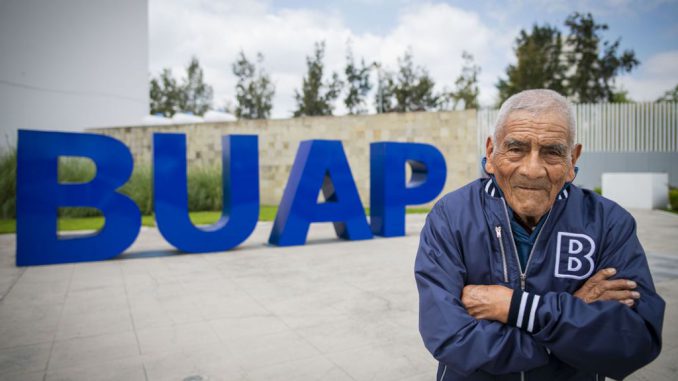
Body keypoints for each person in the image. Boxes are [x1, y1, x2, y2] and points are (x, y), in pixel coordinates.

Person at [415, 89, 665, 381]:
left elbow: (635, 341)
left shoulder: (610, 223)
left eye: (552, 151)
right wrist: (573, 316)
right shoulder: (450, 216)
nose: (532, 170)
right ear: (490, 153)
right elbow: (450, 338)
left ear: (573, 159)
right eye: (516, 148)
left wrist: (517, 307)